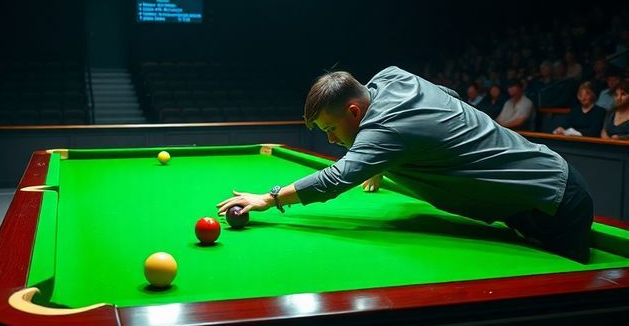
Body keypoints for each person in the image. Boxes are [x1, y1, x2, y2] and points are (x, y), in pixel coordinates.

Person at [218, 67, 594, 263]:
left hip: (553, 204)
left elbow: (337, 178)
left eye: (331, 129)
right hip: (538, 190)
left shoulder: (385, 131)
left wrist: (271, 198)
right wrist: (384, 160)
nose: (331, 139)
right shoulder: (389, 77)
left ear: (354, 110)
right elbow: (447, 96)